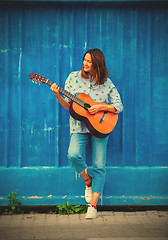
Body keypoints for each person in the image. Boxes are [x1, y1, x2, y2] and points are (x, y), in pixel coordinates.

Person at [51, 48, 123, 219]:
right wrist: (56, 94)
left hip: (100, 128)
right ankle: (87, 180)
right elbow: (69, 106)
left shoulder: (106, 82)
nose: (85, 63)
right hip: (79, 127)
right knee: (73, 155)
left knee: (99, 165)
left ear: (97, 63)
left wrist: (102, 107)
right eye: (84, 60)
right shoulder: (73, 78)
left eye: (89, 61)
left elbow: (119, 106)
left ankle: (93, 205)